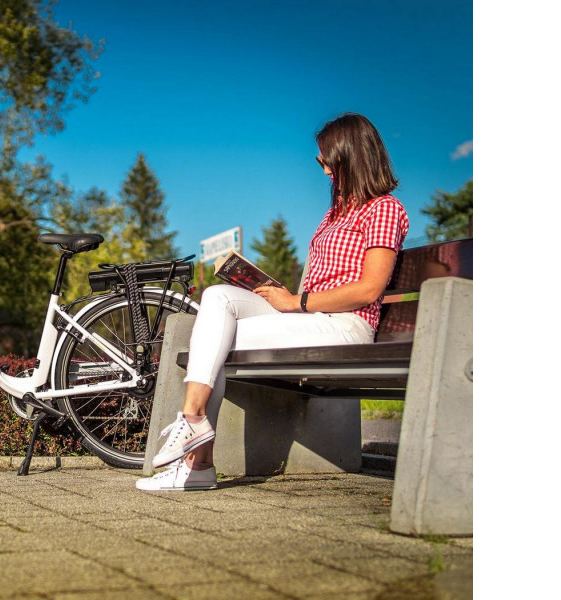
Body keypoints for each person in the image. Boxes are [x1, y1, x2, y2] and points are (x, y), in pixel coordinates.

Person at [137, 113, 409, 491]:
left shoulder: (384, 209)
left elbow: (368, 289)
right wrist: (274, 292)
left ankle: (197, 455)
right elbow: (313, 284)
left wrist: (295, 303)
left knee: (219, 339)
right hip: (310, 315)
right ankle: (194, 424)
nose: (324, 170)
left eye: (327, 160)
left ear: (351, 156)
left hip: (345, 324)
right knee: (218, 298)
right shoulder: (334, 214)